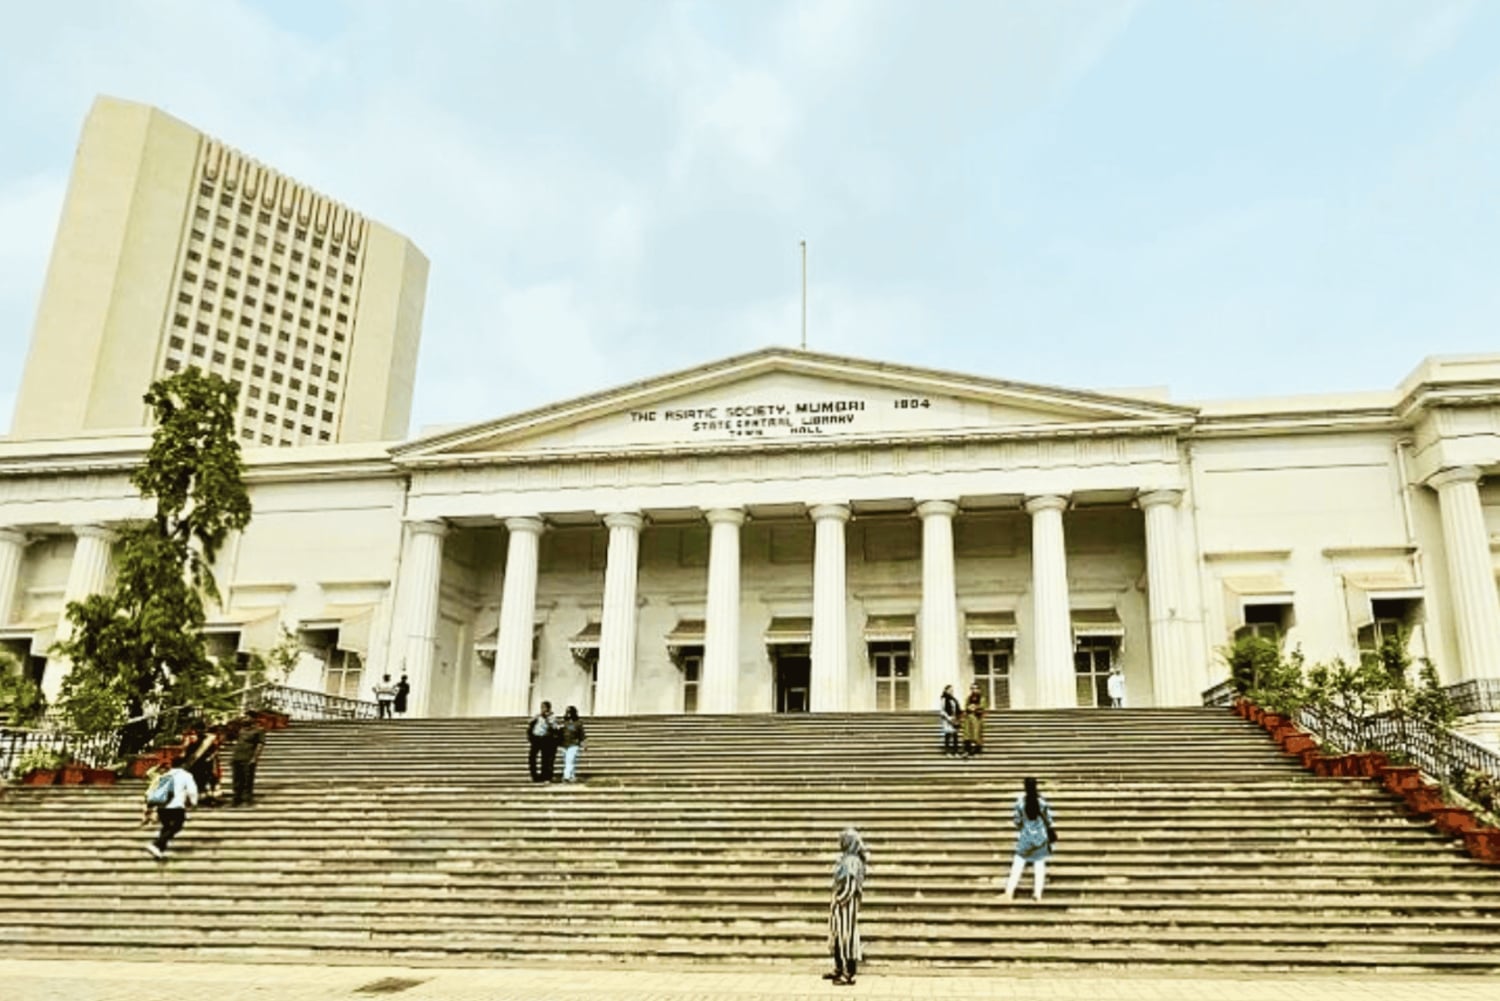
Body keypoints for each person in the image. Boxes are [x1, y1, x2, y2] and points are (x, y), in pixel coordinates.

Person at [824, 827, 868, 986]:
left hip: (846, 906)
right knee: (837, 937)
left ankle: (849, 972)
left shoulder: (852, 862)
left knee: (847, 938)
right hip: (840, 906)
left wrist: (840, 900)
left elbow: (851, 885)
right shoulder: (846, 858)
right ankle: (839, 967)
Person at [1003, 776, 1056, 902]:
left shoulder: (1021, 802)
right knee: (1039, 864)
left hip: (1026, 836)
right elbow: (1049, 820)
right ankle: (1037, 893)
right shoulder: (1042, 802)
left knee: (1018, 863)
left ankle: (1009, 891)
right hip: (1040, 837)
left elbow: (1017, 821)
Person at [146, 756, 199, 860]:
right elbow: (192, 791)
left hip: (162, 806)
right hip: (176, 806)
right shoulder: (186, 775)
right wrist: (193, 802)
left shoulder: (165, 774)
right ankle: (156, 844)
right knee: (177, 826)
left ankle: (159, 850)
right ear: (184, 764)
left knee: (166, 827)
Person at [230, 716, 266, 807]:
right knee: (237, 779)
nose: (245, 720)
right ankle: (236, 798)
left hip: (248, 758)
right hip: (237, 758)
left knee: (247, 779)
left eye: (247, 719)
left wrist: (255, 757)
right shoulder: (240, 730)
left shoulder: (258, 731)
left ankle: (247, 799)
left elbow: (260, 745)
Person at [182, 725, 221, 806]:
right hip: (194, 764)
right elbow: (185, 751)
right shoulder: (189, 739)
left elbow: (214, 751)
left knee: (207, 781)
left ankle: (209, 798)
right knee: (195, 780)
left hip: (206, 763)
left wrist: (211, 758)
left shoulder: (208, 739)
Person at [527, 701, 558, 782]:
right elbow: (529, 722)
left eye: (544, 707)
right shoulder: (538, 716)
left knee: (545, 759)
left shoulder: (552, 717)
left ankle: (545, 776)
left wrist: (547, 719)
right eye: (542, 707)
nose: (542, 709)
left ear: (548, 708)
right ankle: (534, 776)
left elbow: (555, 727)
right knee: (532, 758)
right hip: (536, 739)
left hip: (546, 739)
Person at [558, 705, 587, 782]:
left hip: (573, 744)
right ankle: (572, 776)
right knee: (570, 761)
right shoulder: (564, 723)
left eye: (570, 712)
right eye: (567, 711)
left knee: (569, 760)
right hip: (563, 745)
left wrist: (584, 744)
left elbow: (582, 735)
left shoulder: (578, 723)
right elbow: (559, 734)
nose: (568, 713)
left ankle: (566, 776)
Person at [961, 682, 987, 757]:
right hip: (968, 720)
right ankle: (967, 751)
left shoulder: (982, 698)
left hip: (977, 720)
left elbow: (982, 708)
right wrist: (969, 708)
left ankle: (977, 751)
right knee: (967, 736)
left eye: (975, 688)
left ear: (979, 689)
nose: (974, 690)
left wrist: (975, 708)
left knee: (976, 735)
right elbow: (966, 708)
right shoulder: (968, 698)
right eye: (972, 688)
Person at [938, 684, 961, 756]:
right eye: (949, 690)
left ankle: (955, 751)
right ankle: (947, 751)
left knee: (955, 736)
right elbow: (942, 711)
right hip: (947, 720)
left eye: (952, 690)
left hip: (954, 719)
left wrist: (957, 717)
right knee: (947, 735)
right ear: (945, 690)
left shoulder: (954, 699)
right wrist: (948, 718)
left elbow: (957, 709)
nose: (951, 691)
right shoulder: (944, 699)